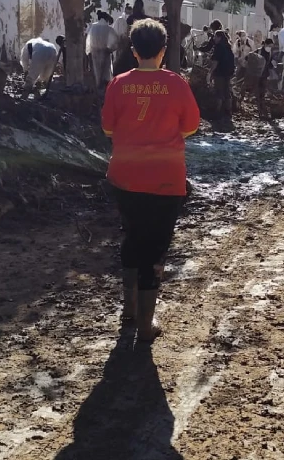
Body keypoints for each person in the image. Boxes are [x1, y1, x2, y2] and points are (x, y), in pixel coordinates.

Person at [102, 18, 200, 343]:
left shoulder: (117, 84)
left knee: (131, 236)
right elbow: (190, 128)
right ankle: (146, 323)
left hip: (124, 177)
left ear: (132, 50)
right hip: (165, 181)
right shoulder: (177, 84)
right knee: (155, 248)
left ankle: (128, 310)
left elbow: (108, 130)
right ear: (163, 50)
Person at [87, 11, 120, 90]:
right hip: (104, 52)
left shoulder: (92, 27)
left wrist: (88, 52)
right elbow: (117, 41)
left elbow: (87, 39)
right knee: (105, 73)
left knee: (95, 72)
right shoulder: (108, 28)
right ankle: (104, 92)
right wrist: (111, 49)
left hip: (94, 52)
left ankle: (95, 91)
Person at [209, 30, 236, 120]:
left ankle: (217, 112)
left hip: (220, 73)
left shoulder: (218, 47)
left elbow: (215, 62)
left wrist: (210, 73)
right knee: (227, 92)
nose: (214, 38)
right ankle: (228, 112)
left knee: (219, 92)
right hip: (228, 73)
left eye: (215, 37)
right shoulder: (228, 47)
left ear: (219, 38)